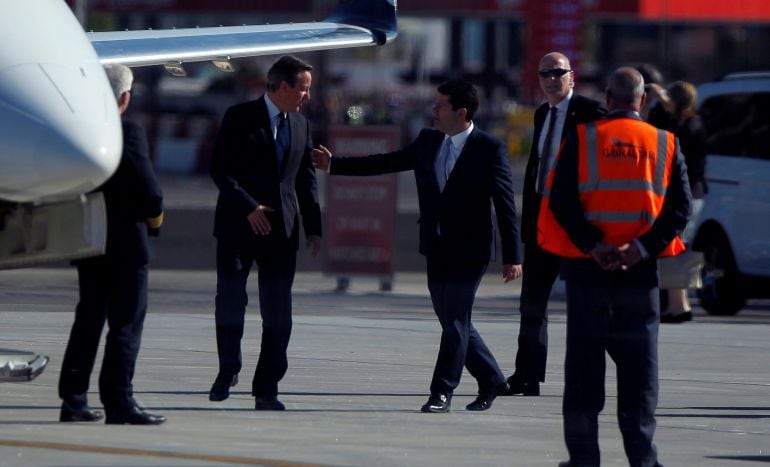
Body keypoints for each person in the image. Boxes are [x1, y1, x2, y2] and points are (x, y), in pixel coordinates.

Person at [313, 80, 522, 413]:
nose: (433, 111)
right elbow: (387, 162)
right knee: (454, 320)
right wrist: (336, 165)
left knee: (455, 321)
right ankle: (492, 378)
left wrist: (513, 256)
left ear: (461, 112)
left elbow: (505, 204)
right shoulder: (428, 141)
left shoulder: (489, 148)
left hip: (472, 251)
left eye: (440, 105)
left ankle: (442, 391)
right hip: (436, 247)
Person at [539, 67, 691, 466]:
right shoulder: (666, 142)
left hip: (588, 271)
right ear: (642, 100)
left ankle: (584, 458)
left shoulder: (584, 138)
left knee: (584, 371)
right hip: (638, 275)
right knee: (640, 372)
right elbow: (681, 211)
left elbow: (560, 202)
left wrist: (594, 246)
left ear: (608, 98)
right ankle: (642, 459)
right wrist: (640, 249)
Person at [209, 55, 322, 410]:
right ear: (283, 86)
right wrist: (249, 207)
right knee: (230, 300)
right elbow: (220, 170)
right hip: (238, 226)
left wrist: (314, 228)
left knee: (278, 313)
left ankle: (267, 388)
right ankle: (229, 369)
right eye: (303, 89)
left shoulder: (302, 125)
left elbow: (306, 180)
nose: (307, 96)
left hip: (282, 231)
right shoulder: (239, 117)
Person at [58, 64, 166, 425]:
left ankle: (73, 401)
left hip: (89, 237)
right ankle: (119, 400)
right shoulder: (127, 129)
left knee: (88, 319)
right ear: (125, 96)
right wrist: (155, 220)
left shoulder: (79, 131)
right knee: (126, 324)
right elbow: (150, 192)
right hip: (126, 244)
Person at [503, 52, 606, 397]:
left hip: (576, 222)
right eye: (545, 72)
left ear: (572, 76)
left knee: (585, 305)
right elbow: (536, 167)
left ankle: (585, 378)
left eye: (558, 72)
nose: (551, 79)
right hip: (541, 222)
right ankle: (527, 375)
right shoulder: (541, 113)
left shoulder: (590, 112)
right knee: (532, 303)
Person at [646, 80, 708, 323]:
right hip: (673, 191)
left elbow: (676, 144)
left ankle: (680, 303)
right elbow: (654, 129)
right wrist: (659, 103)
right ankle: (677, 303)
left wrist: (662, 100)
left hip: (690, 192)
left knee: (682, 245)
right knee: (675, 245)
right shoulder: (668, 118)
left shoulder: (693, 124)